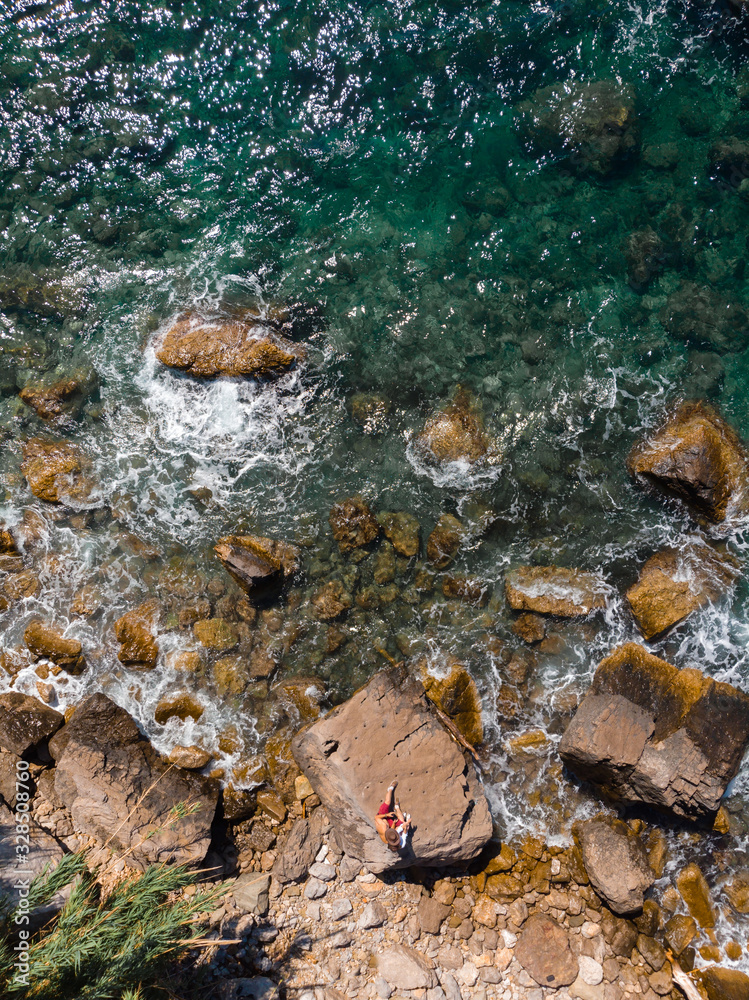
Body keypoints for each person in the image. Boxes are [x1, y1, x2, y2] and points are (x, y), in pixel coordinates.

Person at [374, 780, 412, 852]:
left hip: (382, 817)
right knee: (401, 822)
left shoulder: (383, 828)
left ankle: (390, 788)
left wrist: (387, 815)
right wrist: (396, 823)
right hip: (388, 822)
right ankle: (396, 807)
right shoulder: (392, 836)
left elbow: (376, 818)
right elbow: (394, 829)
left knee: (388, 802)